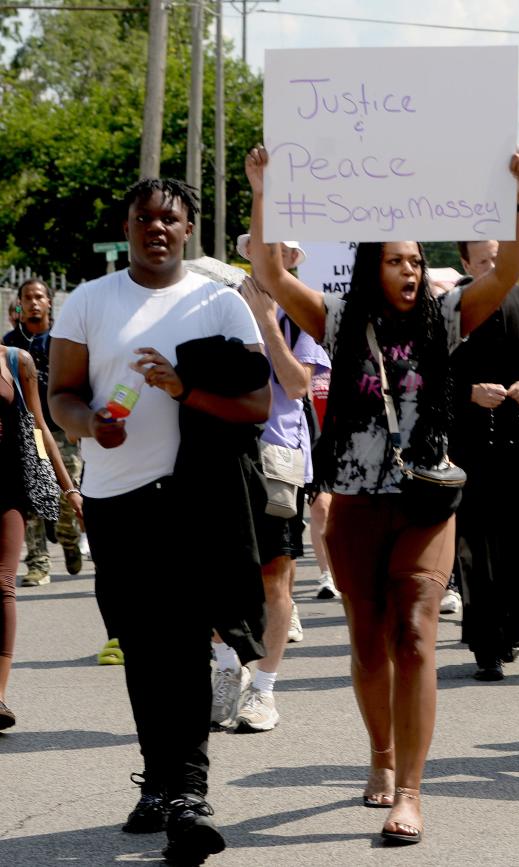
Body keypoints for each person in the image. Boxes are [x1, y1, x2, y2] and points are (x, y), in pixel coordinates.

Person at [245, 145, 519, 844]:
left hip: (427, 497)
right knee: (369, 644)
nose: (411, 269)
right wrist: (263, 189)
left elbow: (512, 271)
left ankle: (410, 789)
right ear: (374, 265)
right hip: (355, 500)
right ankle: (378, 755)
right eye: (397, 260)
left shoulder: (446, 315)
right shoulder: (339, 319)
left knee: (412, 635)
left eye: (416, 260)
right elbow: (269, 272)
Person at [49, 177, 269, 866]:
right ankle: (159, 780)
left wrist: (186, 389)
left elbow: (258, 404)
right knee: (144, 646)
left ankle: (189, 794)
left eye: (169, 219)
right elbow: (62, 394)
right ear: (128, 224)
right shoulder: (89, 300)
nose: (156, 228)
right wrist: (90, 427)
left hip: (197, 498)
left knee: (185, 642)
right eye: (144, 217)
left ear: (187, 229)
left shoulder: (221, 302)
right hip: (117, 499)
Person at [218, 253, 330, 734]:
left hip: (278, 454)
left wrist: (267, 319)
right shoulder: (221, 300)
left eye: (281, 252)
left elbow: (298, 384)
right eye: (264, 249)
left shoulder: (302, 311)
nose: (271, 259)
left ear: (291, 260)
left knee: (274, 578)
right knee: (217, 571)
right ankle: (226, 667)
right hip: (221, 449)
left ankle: (263, 690)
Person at [451, 238, 519, 681]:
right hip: (468, 448)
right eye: (483, 263)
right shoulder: (448, 308)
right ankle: (484, 642)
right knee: (474, 550)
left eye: (500, 260)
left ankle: (514, 619)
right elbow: (425, 375)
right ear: (465, 263)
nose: (494, 269)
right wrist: (469, 393)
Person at [1, 342, 82, 731]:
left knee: (3, 586)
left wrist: (67, 487)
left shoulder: (16, 362)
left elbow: (36, 427)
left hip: (7, 491)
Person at [3, 279, 85, 588]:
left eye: (39, 297)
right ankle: (38, 562)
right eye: (28, 298)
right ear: (20, 305)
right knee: (33, 491)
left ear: (49, 303)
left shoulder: (62, 341)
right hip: (31, 434)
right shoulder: (11, 344)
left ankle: (67, 536)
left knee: (68, 491)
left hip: (62, 429)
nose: (34, 302)